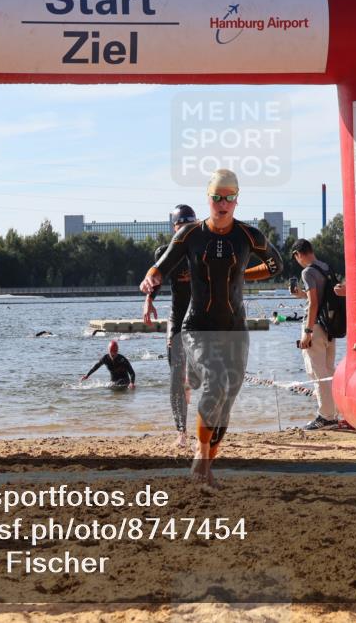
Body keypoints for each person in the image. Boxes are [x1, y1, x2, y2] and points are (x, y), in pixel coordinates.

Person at [140, 169, 282, 485]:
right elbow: (160, 267)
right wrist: (150, 278)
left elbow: (276, 264)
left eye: (229, 197)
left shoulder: (248, 235)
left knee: (227, 399)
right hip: (196, 326)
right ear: (208, 198)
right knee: (216, 381)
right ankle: (200, 458)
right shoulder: (190, 235)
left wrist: (245, 274)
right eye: (217, 196)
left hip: (235, 328)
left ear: (237, 199)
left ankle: (208, 464)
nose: (223, 203)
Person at [143, 204, 199, 449]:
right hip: (177, 317)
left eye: (190, 227)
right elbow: (155, 279)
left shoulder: (203, 252)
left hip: (200, 317)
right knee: (176, 375)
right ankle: (182, 432)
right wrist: (148, 300)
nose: (185, 232)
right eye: (181, 227)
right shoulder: (165, 253)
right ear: (174, 229)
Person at [290, 238, 339, 430]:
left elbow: (313, 304)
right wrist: (301, 294)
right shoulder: (325, 267)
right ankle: (334, 413)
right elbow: (320, 297)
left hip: (316, 327)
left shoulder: (307, 271)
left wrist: (307, 332)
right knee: (329, 372)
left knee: (317, 373)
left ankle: (325, 416)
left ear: (298, 254)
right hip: (330, 326)